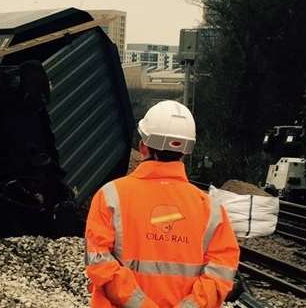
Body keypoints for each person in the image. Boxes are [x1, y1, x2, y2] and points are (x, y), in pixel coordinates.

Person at [85, 100, 240, 307]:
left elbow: (98, 262)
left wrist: (142, 304)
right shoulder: (210, 209)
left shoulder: (110, 196)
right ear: (185, 152)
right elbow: (221, 271)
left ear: (143, 147)